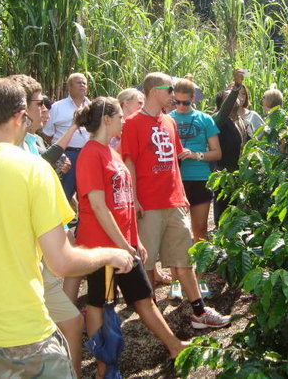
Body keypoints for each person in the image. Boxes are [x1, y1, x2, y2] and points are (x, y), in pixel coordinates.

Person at [0, 78, 134, 378]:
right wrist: (109, 254)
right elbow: (62, 261)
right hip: (22, 337)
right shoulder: (33, 170)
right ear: (20, 117)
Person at [74, 97, 189, 377]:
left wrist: (134, 240)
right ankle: (104, 367)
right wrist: (124, 245)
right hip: (103, 248)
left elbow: (124, 203)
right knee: (102, 302)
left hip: (124, 245)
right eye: (120, 117)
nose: (125, 121)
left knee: (143, 297)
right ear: (107, 119)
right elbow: (98, 206)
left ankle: (174, 346)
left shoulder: (111, 153)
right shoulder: (90, 154)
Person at [122, 72, 231, 329]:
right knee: (147, 262)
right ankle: (152, 316)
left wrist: (181, 196)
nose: (173, 95)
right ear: (153, 92)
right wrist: (134, 199)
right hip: (148, 203)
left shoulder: (169, 123)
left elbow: (173, 162)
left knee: (185, 259)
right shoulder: (132, 123)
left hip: (174, 201)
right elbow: (129, 162)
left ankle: (199, 312)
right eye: (169, 90)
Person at [9, 74, 84, 377]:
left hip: (42, 250)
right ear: (21, 111)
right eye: (40, 104)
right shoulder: (6, 150)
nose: (46, 111)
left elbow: (43, 165)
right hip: (23, 258)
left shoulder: (33, 141)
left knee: (68, 320)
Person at [170, 78, 222, 296]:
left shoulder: (205, 119)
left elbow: (217, 152)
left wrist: (195, 155)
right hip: (175, 181)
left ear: (193, 99)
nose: (181, 107)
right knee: (176, 234)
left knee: (199, 230)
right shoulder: (167, 119)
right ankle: (176, 281)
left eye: (185, 103)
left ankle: (199, 277)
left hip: (200, 178)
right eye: (177, 102)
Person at [116, 88, 171, 287]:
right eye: (138, 102)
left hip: (143, 189)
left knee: (146, 238)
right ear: (124, 104)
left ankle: (152, 273)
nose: (142, 105)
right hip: (122, 190)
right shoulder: (121, 128)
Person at [42, 72, 90, 201]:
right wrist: (61, 151)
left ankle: (80, 220)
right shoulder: (57, 107)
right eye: (78, 83)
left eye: (84, 83)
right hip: (67, 156)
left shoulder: (92, 106)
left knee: (87, 193)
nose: (82, 85)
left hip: (87, 155)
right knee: (64, 193)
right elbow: (47, 134)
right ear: (69, 86)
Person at [212, 69, 247, 224]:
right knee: (224, 215)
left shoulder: (240, 120)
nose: (235, 98)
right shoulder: (218, 120)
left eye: (237, 95)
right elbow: (224, 111)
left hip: (240, 174)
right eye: (229, 97)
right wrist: (236, 86)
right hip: (224, 175)